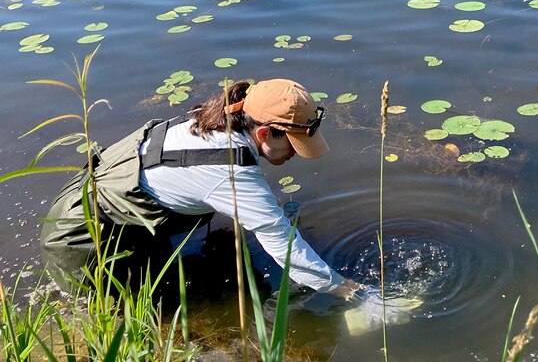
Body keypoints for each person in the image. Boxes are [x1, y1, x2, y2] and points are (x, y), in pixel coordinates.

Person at [40, 78, 361, 300]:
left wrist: (269, 210)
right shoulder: (232, 172)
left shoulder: (214, 121)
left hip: (86, 202)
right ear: (264, 133)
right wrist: (350, 291)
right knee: (164, 304)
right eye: (293, 144)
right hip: (83, 241)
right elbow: (291, 255)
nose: (295, 153)